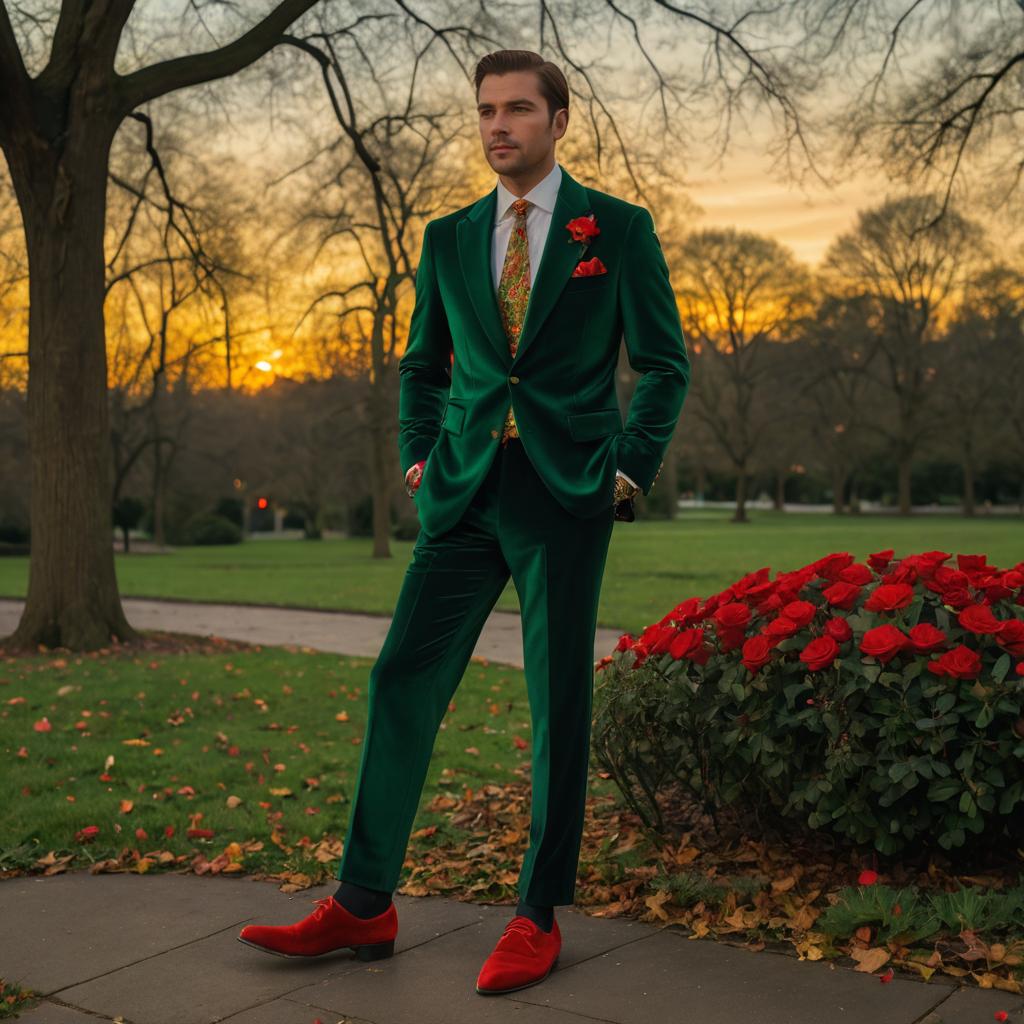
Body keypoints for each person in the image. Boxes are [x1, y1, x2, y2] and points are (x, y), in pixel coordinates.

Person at [238, 47, 690, 997]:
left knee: (556, 703)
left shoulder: (618, 228)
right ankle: (364, 904)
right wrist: (418, 453)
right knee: (402, 678)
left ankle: (535, 914)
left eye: (519, 110)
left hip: (568, 493)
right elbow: (423, 364)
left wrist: (626, 473)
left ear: (559, 121)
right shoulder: (448, 237)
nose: (499, 126)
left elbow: (664, 365)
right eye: (486, 110)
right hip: (462, 487)